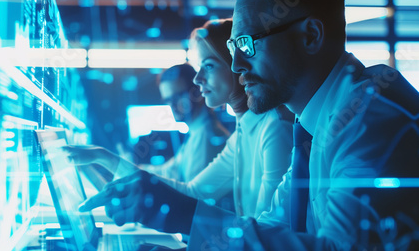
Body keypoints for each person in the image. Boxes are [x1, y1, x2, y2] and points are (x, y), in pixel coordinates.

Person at [79, 0, 419, 250]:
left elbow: (338, 250)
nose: (237, 64)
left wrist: (180, 213)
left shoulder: (368, 119)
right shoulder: (312, 126)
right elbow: (273, 225)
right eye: (232, 47)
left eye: (247, 44)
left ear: (311, 35)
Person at [70, 19, 293, 220]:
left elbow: (270, 230)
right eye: (198, 68)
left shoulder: (274, 128)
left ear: (236, 64)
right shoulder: (242, 133)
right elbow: (191, 190)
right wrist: (105, 158)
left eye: (208, 66)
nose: (198, 79)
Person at [70, 63, 229, 184]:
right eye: (168, 101)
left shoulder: (208, 138)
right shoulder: (197, 133)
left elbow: (190, 195)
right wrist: (125, 165)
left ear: (198, 92)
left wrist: (105, 158)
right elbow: (167, 172)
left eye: (177, 97)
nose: (172, 106)